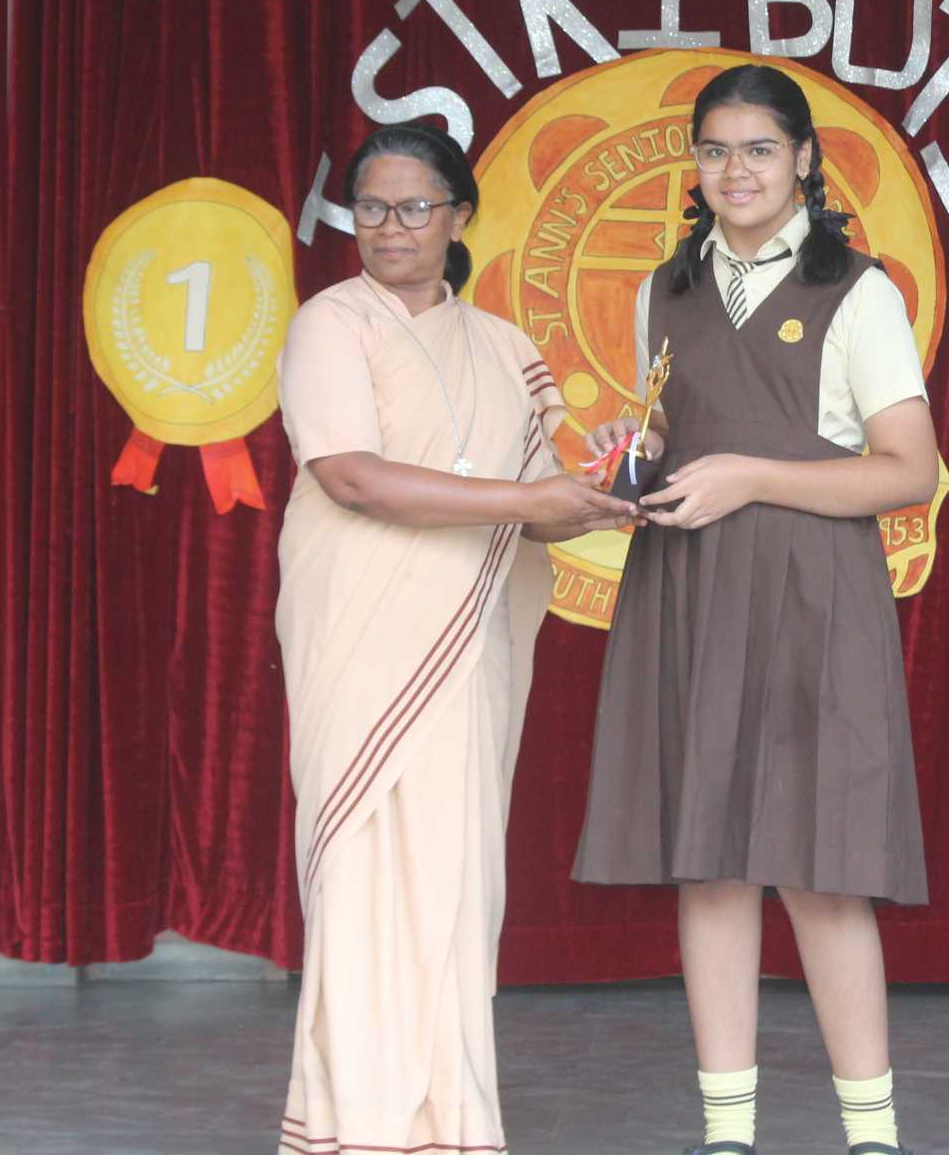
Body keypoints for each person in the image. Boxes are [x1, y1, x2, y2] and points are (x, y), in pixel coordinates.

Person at [574, 65, 936, 1155]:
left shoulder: (858, 292)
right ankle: (726, 1132)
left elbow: (907, 471)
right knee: (713, 864)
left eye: (760, 149)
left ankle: (871, 1135)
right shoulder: (665, 289)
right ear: (696, 164)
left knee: (823, 872)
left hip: (814, 593)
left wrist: (750, 478)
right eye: (716, 150)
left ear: (805, 161)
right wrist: (637, 451)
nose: (736, 171)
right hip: (691, 588)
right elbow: (671, 427)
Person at [273, 123, 636, 1155]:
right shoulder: (330, 324)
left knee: (453, 876)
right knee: (360, 872)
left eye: (414, 207)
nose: (390, 228)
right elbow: (350, 475)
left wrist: (610, 474)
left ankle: (449, 1125)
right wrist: (529, 498)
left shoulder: (505, 347)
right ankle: (350, 1126)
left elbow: (546, 506)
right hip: (357, 623)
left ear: (459, 217)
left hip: (466, 640)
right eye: (371, 208)